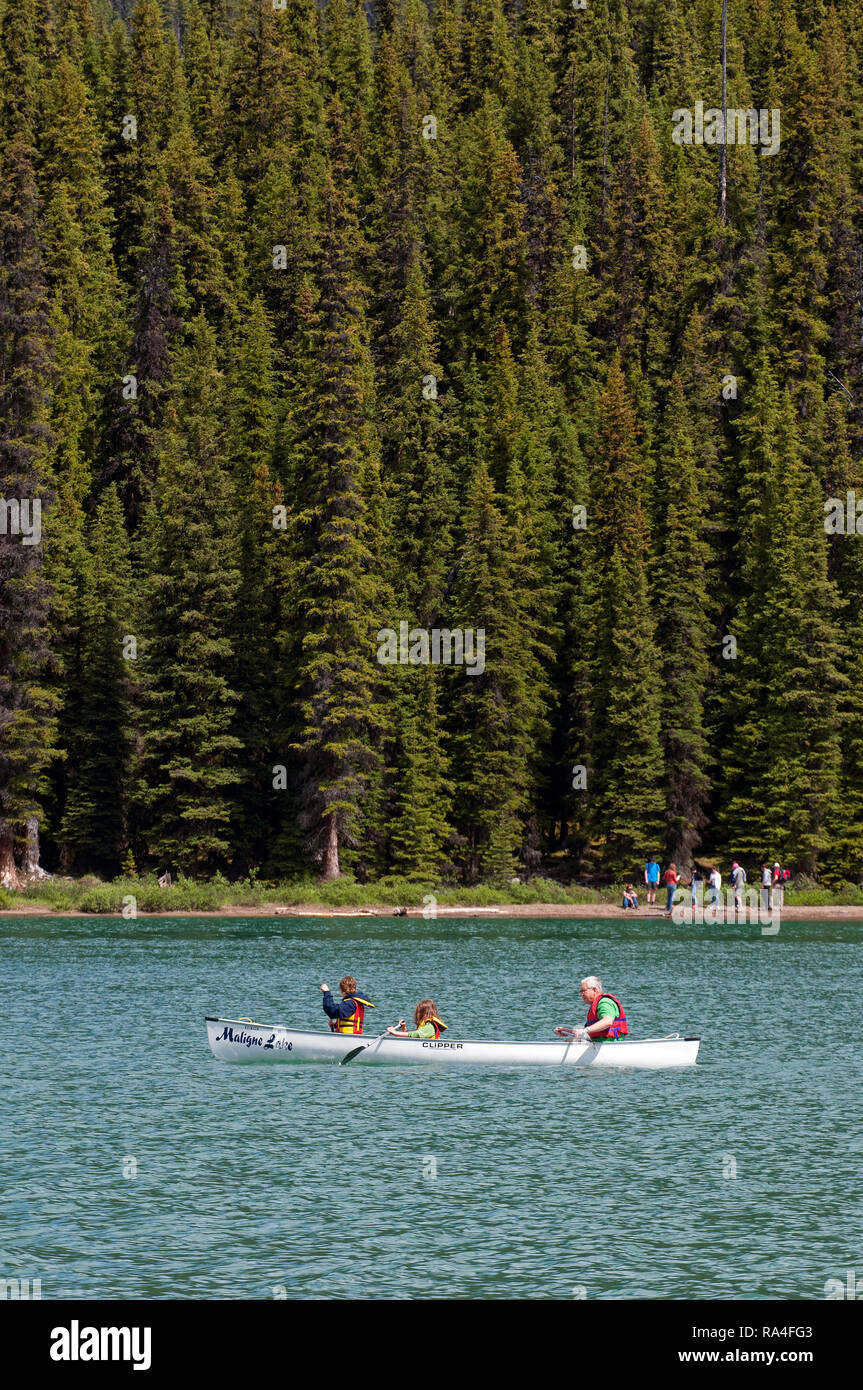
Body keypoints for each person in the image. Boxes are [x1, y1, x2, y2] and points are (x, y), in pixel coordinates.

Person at [556, 976, 628, 1042]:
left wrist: (585, 1030)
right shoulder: (595, 1005)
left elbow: (607, 1021)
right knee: (568, 1041)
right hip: (597, 1043)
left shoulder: (604, 1003)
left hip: (609, 1044)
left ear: (594, 990)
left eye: (583, 991)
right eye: (580, 992)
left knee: (569, 1042)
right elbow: (588, 1032)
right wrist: (569, 1031)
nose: (581, 994)